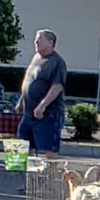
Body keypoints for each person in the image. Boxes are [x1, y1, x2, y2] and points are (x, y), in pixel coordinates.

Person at [16, 29, 67, 158]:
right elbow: (30, 80)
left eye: (40, 39)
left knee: (48, 150)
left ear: (50, 42)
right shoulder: (36, 58)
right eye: (36, 39)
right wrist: (21, 100)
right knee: (23, 147)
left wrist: (42, 105)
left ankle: (50, 175)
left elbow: (57, 86)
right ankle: (28, 176)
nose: (36, 42)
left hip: (48, 114)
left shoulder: (57, 62)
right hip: (29, 113)